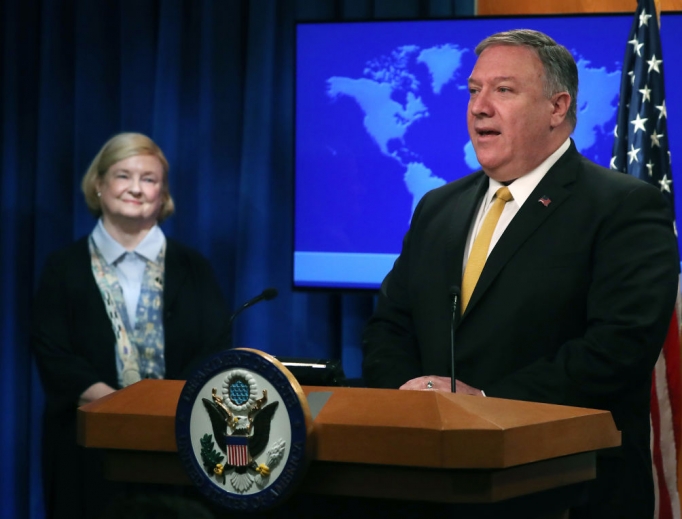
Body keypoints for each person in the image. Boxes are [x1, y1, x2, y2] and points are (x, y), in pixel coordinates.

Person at [362, 29, 679, 518]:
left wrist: (485, 403)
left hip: (564, 488)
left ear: (558, 107)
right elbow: (390, 326)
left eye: (503, 90)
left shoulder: (623, 208)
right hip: (428, 484)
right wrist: (410, 398)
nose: (479, 107)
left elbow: (619, 349)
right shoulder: (437, 207)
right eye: (473, 90)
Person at [31, 132, 231, 519]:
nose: (136, 189)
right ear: (99, 185)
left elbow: (214, 348)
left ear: (163, 194)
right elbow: (53, 352)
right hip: (85, 449)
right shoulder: (62, 268)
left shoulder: (195, 269)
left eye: (149, 179)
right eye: (124, 176)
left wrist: (164, 413)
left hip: (179, 447)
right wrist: (120, 413)